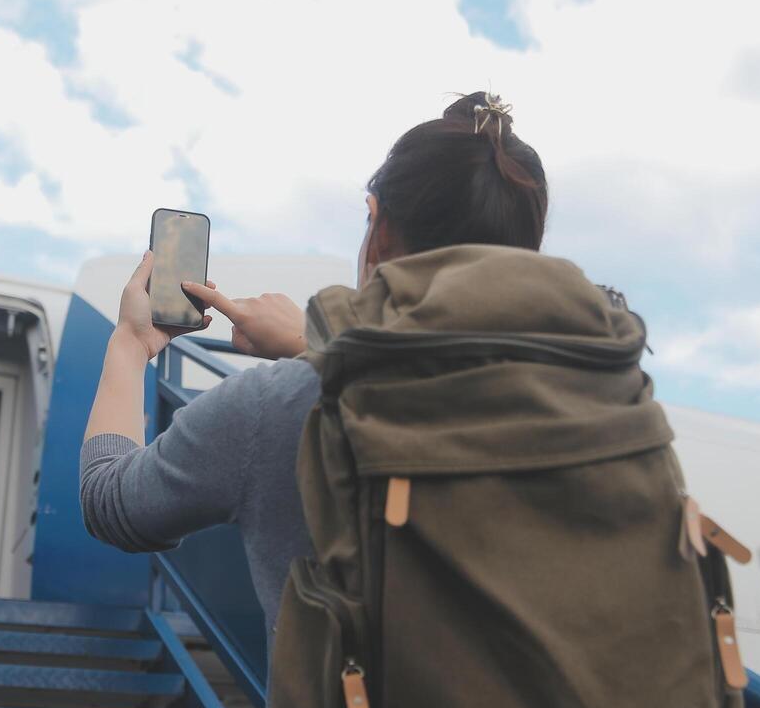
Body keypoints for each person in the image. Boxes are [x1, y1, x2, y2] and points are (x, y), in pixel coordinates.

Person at [77, 91, 547, 655]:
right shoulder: (599, 407)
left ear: (379, 225)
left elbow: (111, 504)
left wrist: (131, 344)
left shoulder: (280, 410)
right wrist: (312, 347)